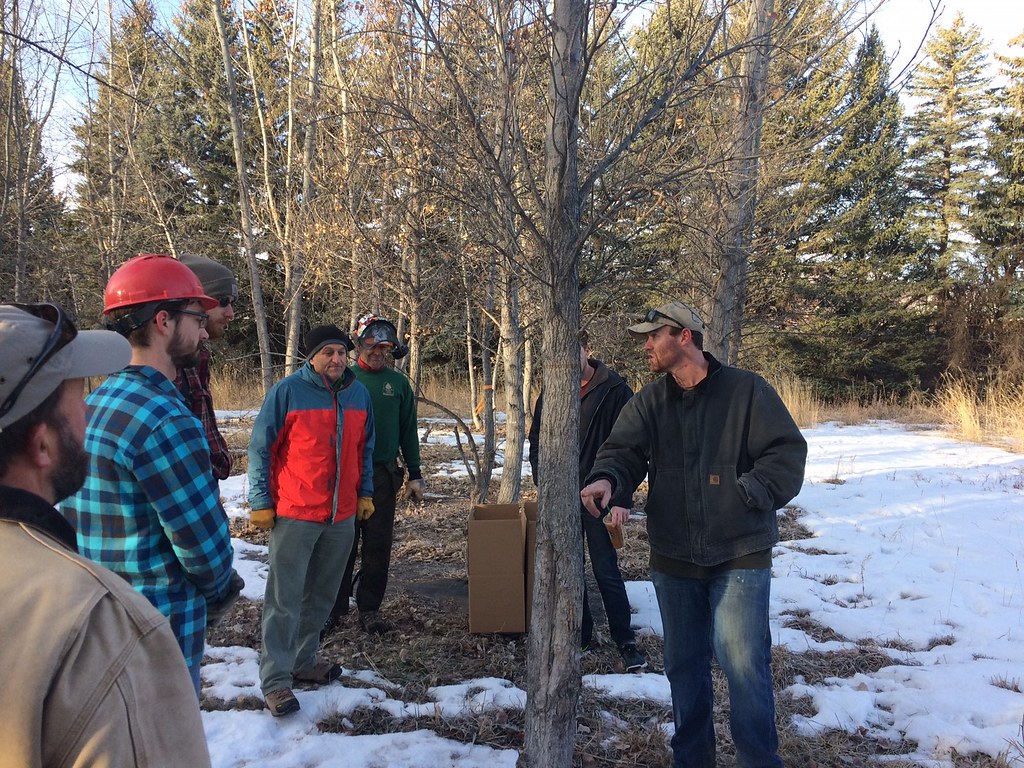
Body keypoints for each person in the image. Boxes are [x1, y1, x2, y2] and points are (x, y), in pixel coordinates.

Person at [580, 301, 807, 768]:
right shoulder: (651, 401)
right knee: (684, 669)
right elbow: (622, 451)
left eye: (653, 336)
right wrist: (607, 479)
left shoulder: (747, 391)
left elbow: (786, 454)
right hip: (674, 556)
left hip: (739, 552)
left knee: (745, 669)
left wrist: (746, 492)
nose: (646, 345)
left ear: (684, 336)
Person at [0, 302, 213, 767]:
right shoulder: (97, 627)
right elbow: (206, 552)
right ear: (41, 444)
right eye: (77, 398)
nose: (88, 411)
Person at [63, 253, 240, 695]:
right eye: (196, 318)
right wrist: (221, 588)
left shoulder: (92, 406)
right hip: (158, 633)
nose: (204, 331)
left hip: (95, 623)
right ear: (164, 321)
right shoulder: (166, 420)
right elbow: (204, 552)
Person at [248, 324, 375, 717]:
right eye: (328, 352)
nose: (336, 359)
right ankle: (275, 681)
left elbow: (365, 448)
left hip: (341, 515)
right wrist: (260, 501)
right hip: (295, 513)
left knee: (322, 595)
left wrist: (365, 493)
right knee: (284, 599)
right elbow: (261, 447)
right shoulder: (288, 392)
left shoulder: (358, 394)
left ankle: (303, 662)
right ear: (312, 356)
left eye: (341, 352)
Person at [528, 330, 647, 672]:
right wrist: (543, 480)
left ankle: (625, 641)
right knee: (568, 567)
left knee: (605, 569)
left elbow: (632, 449)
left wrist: (621, 496)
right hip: (561, 496)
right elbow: (536, 439)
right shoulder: (553, 390)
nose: (569, 359)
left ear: (587, 350)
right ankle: (581, 635)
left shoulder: (616, 390)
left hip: (599, 496)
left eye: (575, 351)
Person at [328, 313, 423, 635]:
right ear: (358, 345)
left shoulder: (398, 384)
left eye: (385, 348)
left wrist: (415, 472)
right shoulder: (343, 380)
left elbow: (408, 430)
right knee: (342, 543)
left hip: (383, 475)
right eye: (372, 346)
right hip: (345, 475)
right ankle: (334, 608)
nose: (379, 353)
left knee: (378, 546)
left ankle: (369, 608)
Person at [175, 252, 239, 481]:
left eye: (232, 303)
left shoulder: (198, 360)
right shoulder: (167, 366)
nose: (231, 314)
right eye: (222, 302)